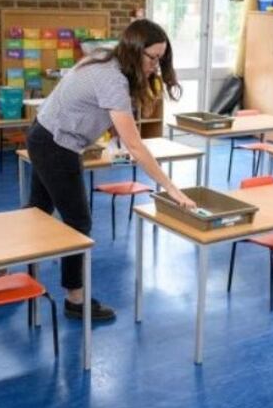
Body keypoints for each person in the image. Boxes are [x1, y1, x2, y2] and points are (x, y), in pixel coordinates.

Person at [26, 19, 196, 321]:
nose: (156, 66)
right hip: (55, 142)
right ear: (134, 50)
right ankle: (75, 299)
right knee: (77, 221)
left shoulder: (108, 56)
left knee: (36, 212)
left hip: (47, 134)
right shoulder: (112, 78)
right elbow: (136, 145)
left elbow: (112, 119)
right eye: (152, 58)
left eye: (161, 58)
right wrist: (171, 188)